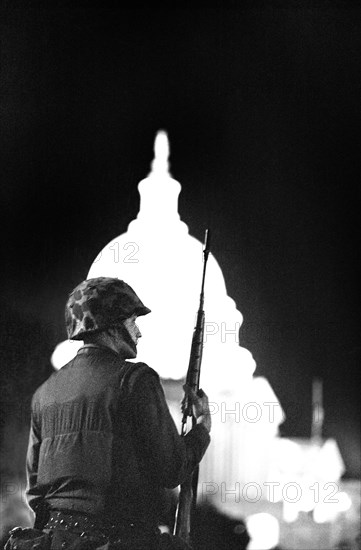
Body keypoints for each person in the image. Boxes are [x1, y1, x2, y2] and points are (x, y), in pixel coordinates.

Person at [10, 277, 211, 550]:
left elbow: (35, 488)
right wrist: (201, 429)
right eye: (133, 321)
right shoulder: (136, 380)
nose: (139, 333)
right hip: (121, 540)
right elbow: (171, 469)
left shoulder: (44, 393)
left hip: (55, 540)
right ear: (113, 324)